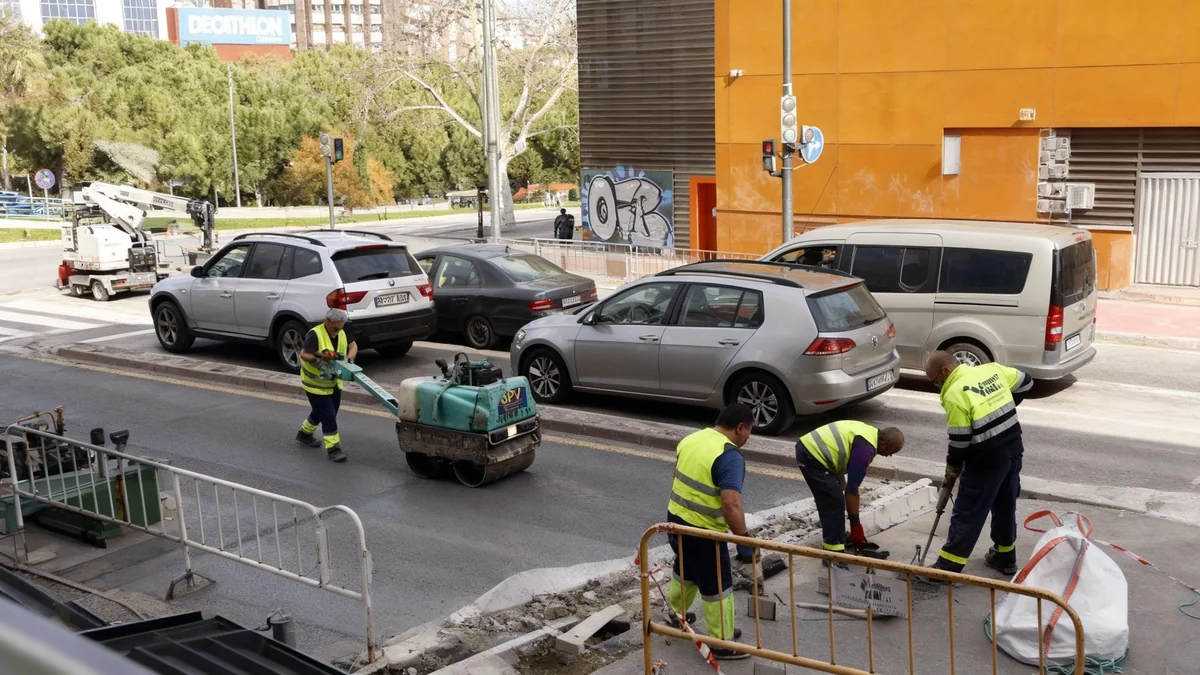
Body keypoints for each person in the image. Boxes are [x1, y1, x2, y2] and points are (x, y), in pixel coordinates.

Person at [925, 350, 1034, 575]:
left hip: (985, 460)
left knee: (968, 511)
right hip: (1013, 450)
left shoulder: (954, 393)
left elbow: (960, 441)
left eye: (935, 381)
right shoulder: (990, 370)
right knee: (1005, 505)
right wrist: (1006, 407)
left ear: (946, 371)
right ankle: (1005, 556)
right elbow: (1026, 382)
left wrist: (952, 470)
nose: (936, 386)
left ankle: (947, 568)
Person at [665, 404, 755, 660]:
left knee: (685, 568)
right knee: (718, 585)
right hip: (704, 532)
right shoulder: (729, 456)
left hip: (675, 521)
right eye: (749, 431)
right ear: (740, 427)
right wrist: (743, 540)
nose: (748, 437)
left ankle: (674, 613)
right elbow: (731, 503)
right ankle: (721, 641)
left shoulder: (691, 439)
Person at [796, 421, 905, 552]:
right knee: (833, 502)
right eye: (890, 452)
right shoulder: (865, 450)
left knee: (835, 494)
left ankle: (839, 534)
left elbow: (843, 455)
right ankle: (833, 552)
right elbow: (852, 491)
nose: (890, 455)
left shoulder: (869, 434)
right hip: (811, 455)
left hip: (816, 451)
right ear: (883, 444)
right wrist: (856, 527)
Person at [297, 308, 358, 462]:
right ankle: (334, 449)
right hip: (315, 383)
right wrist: (319, 359)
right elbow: (304, 354)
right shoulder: (315, 334)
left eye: (340, 328)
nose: (337, 331)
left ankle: (304, 434)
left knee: (323, 412)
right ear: (327, 321)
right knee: (328, 416)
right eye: (335, 328)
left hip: (334, 381)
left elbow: (353, 346)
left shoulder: (343, 331)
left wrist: (349, 361)